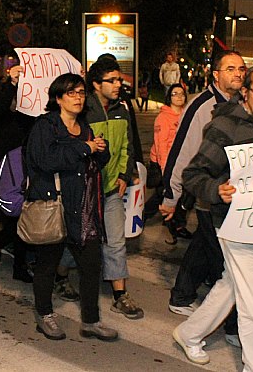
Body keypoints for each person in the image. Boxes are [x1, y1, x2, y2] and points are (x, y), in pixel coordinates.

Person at [174, 67, 253, 371]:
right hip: (231, 221)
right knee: (251, 300)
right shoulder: (224, 126)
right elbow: (192, 175)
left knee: (231, 286)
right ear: (245, 92)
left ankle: (189, 333)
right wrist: (215, 190)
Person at [25, 73, 116, 342]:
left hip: (83, 209)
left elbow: (96, 163)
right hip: (54, 207)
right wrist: (83, 148)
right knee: (47, 265)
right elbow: (44, 160)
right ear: (58, 98)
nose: (78, 97)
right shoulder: (46, 126)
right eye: (71, 93)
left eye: (81, 92)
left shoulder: (85, 127)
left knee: (91, 265)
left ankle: (91, 321)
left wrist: (100, 149)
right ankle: (45, 315)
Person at [160, 51, 245, 326]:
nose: (238, 73)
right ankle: (226, 321)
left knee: (202, 245)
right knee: (225, 259)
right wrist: (170, 195)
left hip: (231, 193)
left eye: (241, 69)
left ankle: (182, 295)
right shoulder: (202, 106)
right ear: (216, 75)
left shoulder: (242, 104)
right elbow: (181, 151)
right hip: (208, 191)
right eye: (230, 68)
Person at [86, 58, 143, 320]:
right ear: (97, 84)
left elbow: (127, 147)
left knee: (116, 242)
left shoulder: (122, 109)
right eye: (112, 80)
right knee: (79, 239)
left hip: (111, 189)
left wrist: (123, 174)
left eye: (119, 79)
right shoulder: (83, 109)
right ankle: (61, 278)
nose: (118, 84)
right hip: (86, 190)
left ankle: (120, 295)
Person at [0, 65, 34, 283]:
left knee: (23, 223)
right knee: (13, 225)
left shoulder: (27, 121)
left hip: (23, 181)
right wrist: (11, 85)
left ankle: (19, 267)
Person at [144, 83, 191, 244]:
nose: (179, 97)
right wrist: (166, 171)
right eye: (175, 94)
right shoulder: (163, 118)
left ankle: (176, 225)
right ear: (169, 97)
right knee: (161, 195)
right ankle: (142, 216)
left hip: (180, 163)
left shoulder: (186, 115)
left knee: (182, 194)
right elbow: (160, 145)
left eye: (181, 94)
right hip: (163, 164)